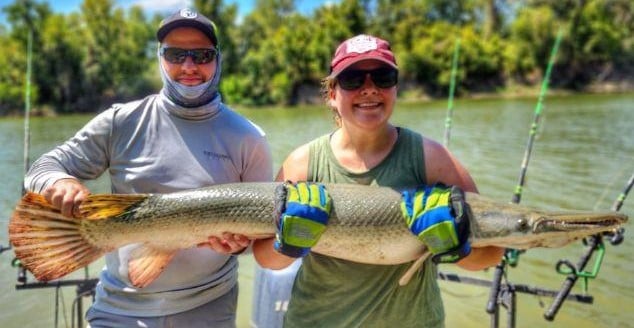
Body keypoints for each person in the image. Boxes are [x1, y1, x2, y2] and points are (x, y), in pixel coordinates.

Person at [24, 8, 272, 328]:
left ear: (218, 59)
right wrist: (59, 182)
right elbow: (42, 168)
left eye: (202, 55)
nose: (189, 66)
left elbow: (262, 236)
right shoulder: (120, 121)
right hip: (120, 306)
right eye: (175, 54)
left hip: (210, 306)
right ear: (160, 58)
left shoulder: (249, 138)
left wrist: (243, 245)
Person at [252, 34, 504, 327]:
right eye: (353, 79)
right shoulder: (302, 163)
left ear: (396, 88)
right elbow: (265, 259)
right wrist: (289, 243)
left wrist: (454, 247)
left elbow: (491, 254)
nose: (369, 89)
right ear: (332, 94)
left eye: (383, 77)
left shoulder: (433, 160)